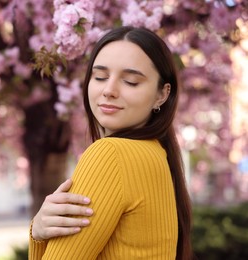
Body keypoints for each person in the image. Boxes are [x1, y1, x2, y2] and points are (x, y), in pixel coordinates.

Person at [29, 26, 193, 260]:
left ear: (162, 94)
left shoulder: (111, 154)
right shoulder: (158, 153)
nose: (109, 90)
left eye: (131, 81)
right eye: (100, 77)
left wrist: (37, 235)